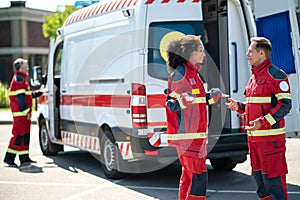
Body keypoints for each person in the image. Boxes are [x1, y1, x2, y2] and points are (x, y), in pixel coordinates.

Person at [226, 37, 292, 200]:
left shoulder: (276, 75)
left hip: (271, 142)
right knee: (261, 186)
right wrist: (239, 107)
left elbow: (285, 105)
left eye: (250, 51)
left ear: (261, 53)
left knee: (274, 184)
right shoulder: (253, 78)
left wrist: (262, 122)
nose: (247, 54)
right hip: (255, 142)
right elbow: (254, 106)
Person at [165, 35, 222, 200]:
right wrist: (183, 100)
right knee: (199, 176)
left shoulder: (193, 73)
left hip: (195, 137)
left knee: (189, 176)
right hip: (188, 137)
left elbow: (197, 100)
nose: (203, 54)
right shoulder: (181, 74)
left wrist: (211, 96)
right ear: (190, 52)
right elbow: (172, 103)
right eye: (200, 50)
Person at [3, 58, 42, 170]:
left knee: (25, 136)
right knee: (18, 136)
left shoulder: (22, 79)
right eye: (26, 65)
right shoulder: (19, 79)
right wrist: (26, 112)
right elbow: (20, 98)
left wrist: (40, 93)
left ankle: (24, 158)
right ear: (21, 67)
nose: (28, 67)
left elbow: (27, 95)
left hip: (23, 114)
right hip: (21, 114)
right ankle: (9, 158)